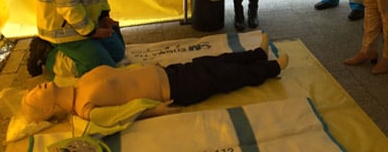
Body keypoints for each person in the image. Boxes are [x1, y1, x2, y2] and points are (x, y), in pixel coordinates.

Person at [21, 48, 289, 123]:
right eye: (35, 96)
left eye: (32, 89)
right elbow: (124, 114)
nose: (36, 88)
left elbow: (121, 74)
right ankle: (271, 68)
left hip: (168, 73)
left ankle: (256, 54)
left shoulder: (81, 82)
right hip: (175, 90)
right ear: (49, 110)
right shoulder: (87, 108)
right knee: (224, 77)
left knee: (214, 60)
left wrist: (149, 68)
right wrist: (155, 111)